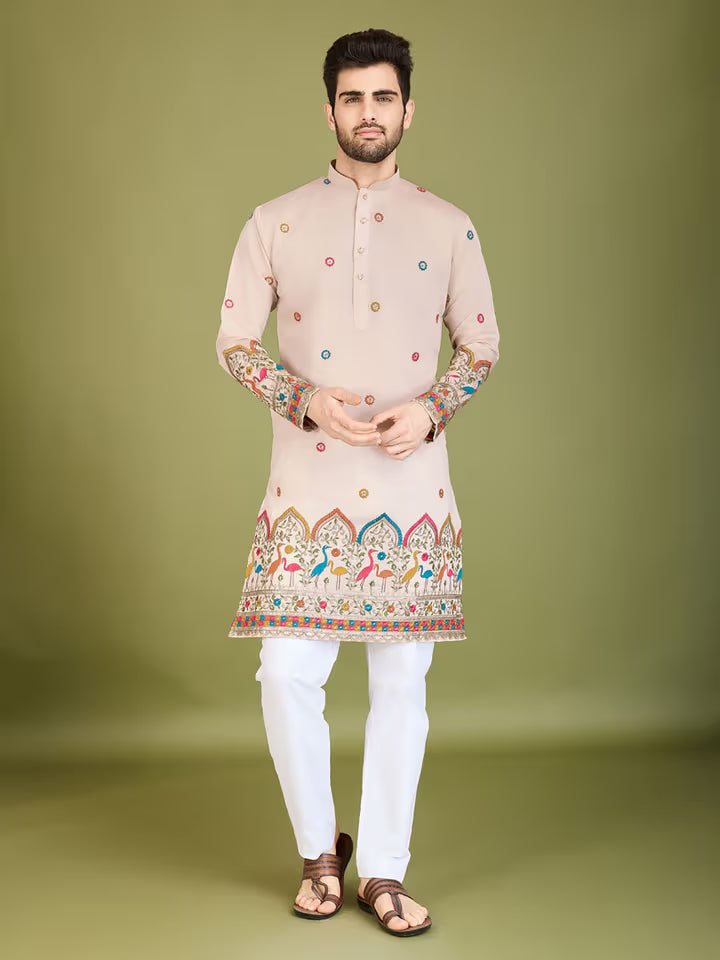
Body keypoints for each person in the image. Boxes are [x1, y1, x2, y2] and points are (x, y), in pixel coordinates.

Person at [215, 28, 500, 937]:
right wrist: (300, 398)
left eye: (384, 98)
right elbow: (232, 344)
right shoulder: (275, 221)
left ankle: (382, 869)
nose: (368, 113)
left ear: (407, 110)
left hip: (414, 497)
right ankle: (317, 852)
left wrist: (436, 408)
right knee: (283, 673)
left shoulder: (449, 225)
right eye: (352, 98)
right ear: (329, 108)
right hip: (308, 491)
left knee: (401, 689)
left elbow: (483, 346)